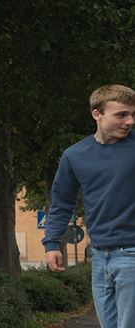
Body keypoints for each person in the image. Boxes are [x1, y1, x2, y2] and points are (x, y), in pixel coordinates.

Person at [44, 84, 135, 328]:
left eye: (132, 114)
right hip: (99, 255)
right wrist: (51, 243)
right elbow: (62, 202)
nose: (130, 121)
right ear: (97, 114)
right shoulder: (75, 155)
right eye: (121, 115)